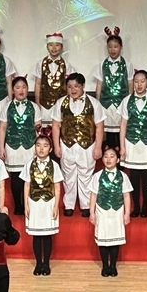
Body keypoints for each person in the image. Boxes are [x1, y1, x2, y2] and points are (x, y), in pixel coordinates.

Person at [52, 72, 105, 217]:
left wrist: (98, 147)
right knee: (68, 176)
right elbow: (56, 125)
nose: (73, 89)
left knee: (86, 175)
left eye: (76, 86)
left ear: (83, 86)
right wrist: (56, 146)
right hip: (67, 145)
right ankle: (68, 205)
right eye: (69, 87)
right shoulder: (60, 103)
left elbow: (99, 126)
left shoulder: (94, 103)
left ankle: (86, 205)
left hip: (87, 146)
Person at [119, 70, 147, 218]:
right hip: (131, 142)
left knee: (146, 176)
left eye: (142, 81)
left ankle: (145, 206)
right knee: (133, 176)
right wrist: (122, 146)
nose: (139, 85)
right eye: (136, 81)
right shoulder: (126, 100)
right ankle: (136, 206)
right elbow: (123, 125)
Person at [0, 76, 42, 216]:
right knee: (16, 177)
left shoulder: (34, 107)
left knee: (30, 176)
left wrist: (39, 148)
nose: (21, 90)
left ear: (27, 89)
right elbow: (3, 128)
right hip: (13, 146)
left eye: (23, 87)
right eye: (17, 87)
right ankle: (18, 205)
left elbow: (38, 129)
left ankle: (29, 204)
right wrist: (1, 147)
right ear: (13, 90)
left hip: (30, 146)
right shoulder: (7, 106)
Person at [22, 132, 64, 276]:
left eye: (45, 146)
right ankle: (38, 263)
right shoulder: (29, 165)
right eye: (38, 145)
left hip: (48, 203)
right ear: (34, 148)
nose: (41, 149)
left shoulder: (54, 166)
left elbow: (57, 186)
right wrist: (26, 205)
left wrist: (56, 206)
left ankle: (46, 263)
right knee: (36, 235)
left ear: (50, 149)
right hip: (34, 203)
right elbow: (27, 185)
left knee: (46, 235)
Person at [89, 147, 132, 277]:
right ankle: (105, 266)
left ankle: (113, 266)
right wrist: (92, 212)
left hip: (117, 211)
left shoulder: (123, 176)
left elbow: (126, 196)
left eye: (112, 156)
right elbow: (93, 195)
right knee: (103, 239)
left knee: (114, 240)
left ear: (117, 160)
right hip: (102, 211)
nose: (108, 159)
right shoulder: (97, 176)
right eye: (106, 156)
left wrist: (127, 213)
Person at [93, 26, 134, 152]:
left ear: (121, 47)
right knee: (108, 126)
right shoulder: (102, 64)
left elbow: (130, 84)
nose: (112, 49)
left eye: (115, 46)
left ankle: (120, 147)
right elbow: (99, 84)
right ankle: (110, 146)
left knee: (120, 125)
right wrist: (97, 102)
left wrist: (130, 100)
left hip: (121, 101)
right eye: (110, 47)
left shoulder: (128, 65)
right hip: (106, 102)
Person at [33, 32, 76, 123]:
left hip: (61, 103)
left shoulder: (66, 64)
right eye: (51, 45)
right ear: (47, 47)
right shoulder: (40, 63)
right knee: (45, 128)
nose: (54, 48)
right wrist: (37, 104)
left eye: (57, 45)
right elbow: (38, 84)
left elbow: (71, 85)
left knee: (59, 127)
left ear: (62, 47)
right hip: (44, 105)